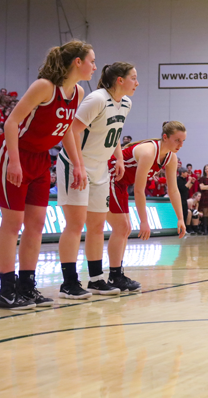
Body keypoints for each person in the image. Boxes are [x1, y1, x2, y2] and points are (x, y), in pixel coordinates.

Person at [0, 40, 93, 310]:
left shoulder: (77, 92)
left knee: (36, 225)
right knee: (13, 223)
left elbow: (66, 129)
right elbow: (11, 122)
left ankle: (26, 287)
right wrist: (15, 162)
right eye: (91, 60)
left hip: (41, 160)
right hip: (15, 154)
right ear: (77, 62)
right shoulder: (44, 86)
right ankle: (6, 291)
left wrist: (78, 163)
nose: (94, 66)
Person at [55, 61, 137, 299]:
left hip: (101, 168)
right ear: (119, 80)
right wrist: (78, 164)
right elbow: (70, 130)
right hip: (76, 164)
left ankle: (95, 279)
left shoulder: (126, 103)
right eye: (133, 77)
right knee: (75, 224)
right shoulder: (97, 99)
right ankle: (69, 282)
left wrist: (119, 157)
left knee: (97, 226)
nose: (137, 82)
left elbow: (115, 131)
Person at [107, 121, 187, 292]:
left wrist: (180, 218)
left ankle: (117, 274)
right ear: (165, 137)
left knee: (125, 230)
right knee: (122, 228)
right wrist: (144, 221)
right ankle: (114, 276)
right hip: (109, 178)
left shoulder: (170, 157)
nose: (180, 145)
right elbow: (138, 190)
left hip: (122, 184)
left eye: (183, 141)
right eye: (177, 140)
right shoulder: (149, 152)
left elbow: (173, 190)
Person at [178, 168, 195, 233]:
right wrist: (189, 181)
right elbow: (183, 188)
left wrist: (192, 182)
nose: (187, 174)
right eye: (186, 172)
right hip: (180, 199)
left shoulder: (184, 180)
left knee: (185, 213)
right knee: (181, 214)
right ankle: (180, 229)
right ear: (182, 173)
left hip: (184, 199)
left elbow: (187, 188)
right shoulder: (178, 180)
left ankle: (184, 228)